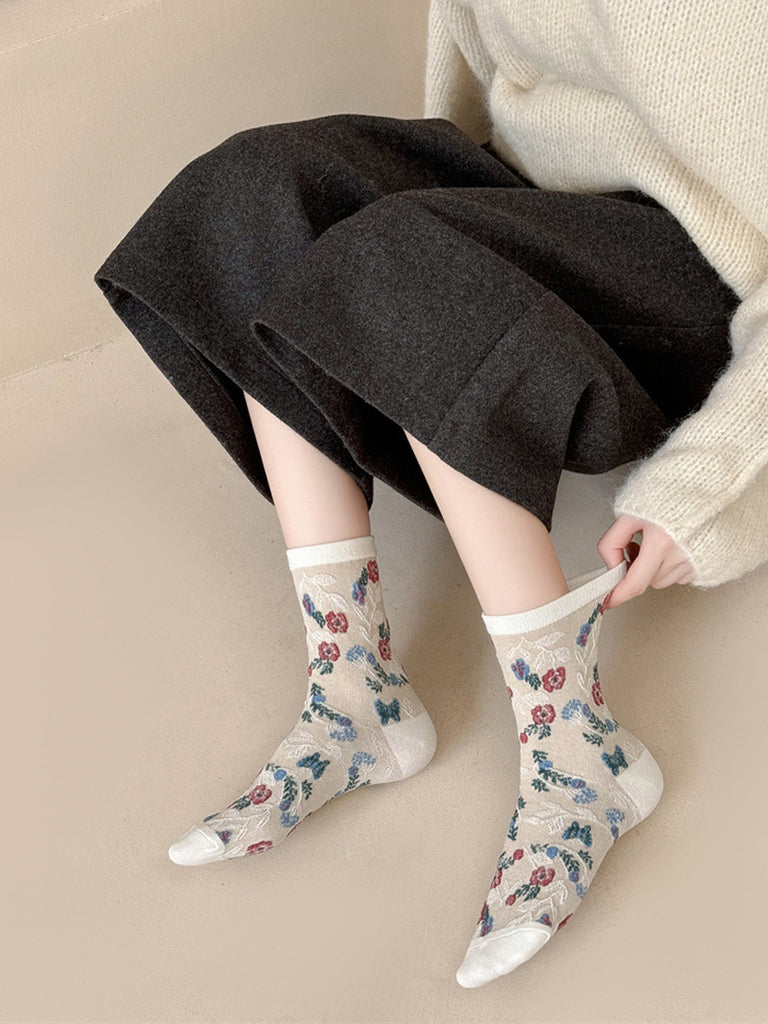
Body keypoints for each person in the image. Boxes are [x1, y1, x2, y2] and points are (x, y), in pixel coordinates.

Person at [94, 0, 768, 989]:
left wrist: (709, 483)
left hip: (709, 289)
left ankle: (579, 756)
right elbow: (477, 110)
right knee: (251, 194)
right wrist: (428, 261)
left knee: (403, 263)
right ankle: (354, 693)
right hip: (561, 220)